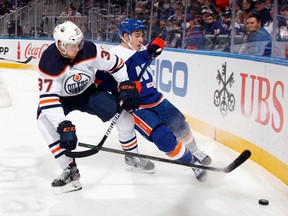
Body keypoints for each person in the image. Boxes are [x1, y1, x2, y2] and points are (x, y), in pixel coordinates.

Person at [37, 21, 150, 194]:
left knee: (124, 117)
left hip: (87, 93)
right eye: (72, 45)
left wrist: (125, 83)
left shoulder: (90, 50)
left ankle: (133, 157)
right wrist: (62, 124)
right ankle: (70, 170)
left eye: (79, 43)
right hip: (62, 99)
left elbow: (116, 64)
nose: (77, 48)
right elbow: (48, 99)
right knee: (43, 121)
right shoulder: (48, 62)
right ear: (60, 45)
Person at [96, 18, 212, 182]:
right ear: (125, 36)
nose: (141, 39)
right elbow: (101, 80)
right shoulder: (114, 55)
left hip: (156, 98)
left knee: (180, 124)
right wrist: (121, 89)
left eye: (142, 35)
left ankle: (196, 151)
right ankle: (193, 164)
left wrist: (151, 51)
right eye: (137, 35)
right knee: (163, 138)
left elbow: (142, 59)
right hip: (137, 107)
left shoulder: (141, 48)